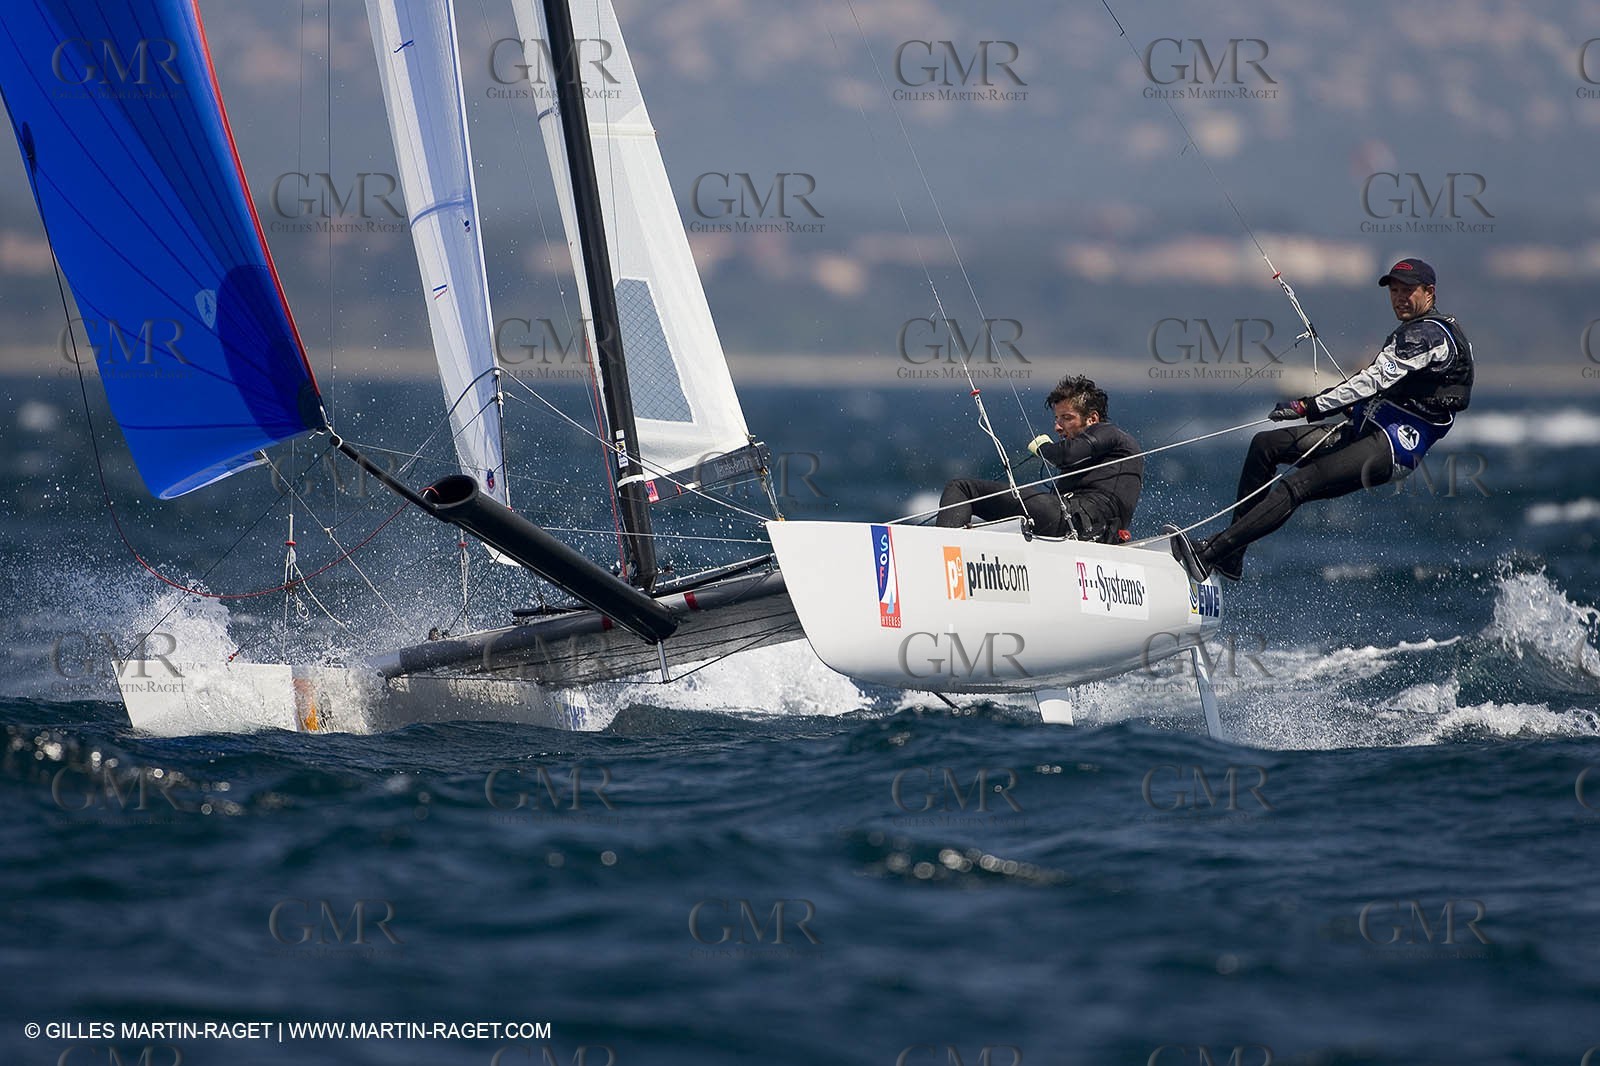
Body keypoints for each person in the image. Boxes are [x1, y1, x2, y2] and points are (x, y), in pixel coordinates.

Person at [1170, 257, 1473, 582]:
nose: (1399, 297)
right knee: (1265, 445)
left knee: (1297, 485)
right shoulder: (1415, 331)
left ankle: (1210, 552)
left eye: (1408, 290)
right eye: (1394, 290)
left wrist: (1308, 407)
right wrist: (1351, 408)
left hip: (1393, 447)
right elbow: (1399, 387)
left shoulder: (1428, 336)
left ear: (1429, 292)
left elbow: (1372, 381)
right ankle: (1231, 557)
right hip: (1366, 429)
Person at [936, 374, 1143, 542]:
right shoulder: (1099, 454)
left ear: (1092, 419)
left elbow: (1066, 455)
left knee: (963, 489)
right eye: (1056, 418)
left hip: (1074, 522)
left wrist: (1043, 447)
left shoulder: (1111, 433)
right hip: (1088, 530)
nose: (1057, 426)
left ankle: (940, 557)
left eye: (1067, 418)